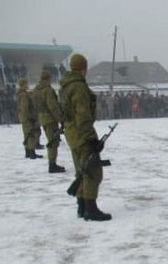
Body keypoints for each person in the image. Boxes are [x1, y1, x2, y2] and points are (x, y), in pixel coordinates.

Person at [59, 53, 111, 221]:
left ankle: (82, 206)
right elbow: (83, 115)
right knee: (93, 171)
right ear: (84, 68)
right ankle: (90, 208)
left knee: (81, 170)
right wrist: (91, 138)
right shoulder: (79, 87)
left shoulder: (65, 86)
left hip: (72, 133)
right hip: (81, 133)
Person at [34, 71, 66, 173]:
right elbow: (53, 106)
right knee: (53, 142)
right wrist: (61, 119)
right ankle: (52, 164)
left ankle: (52, 163)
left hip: (42, 118)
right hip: (50, 119)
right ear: (48, 79)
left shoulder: (36, 90)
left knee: (51, 140)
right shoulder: (48, 90)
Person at [16, 78, 42, 159]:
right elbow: (25, 107)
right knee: (31, 135)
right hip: (27, 118)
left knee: (26, 134)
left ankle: (27, 152)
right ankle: (32, 152)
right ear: (23, 84)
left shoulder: (20, 94)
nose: (28, 85)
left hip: (23, 117)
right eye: (26, 84)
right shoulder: (24, 95)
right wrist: (31, 117)